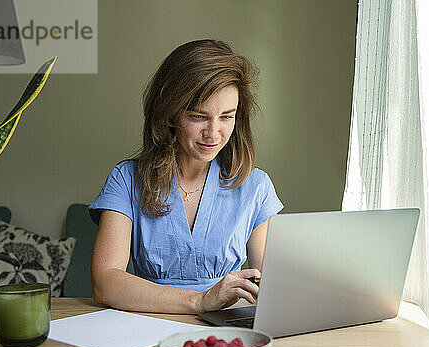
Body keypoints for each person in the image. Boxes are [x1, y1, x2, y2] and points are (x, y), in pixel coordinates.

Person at [88, 39, 283, 314]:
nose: (213, 133)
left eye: (227, 117)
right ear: (169, 114)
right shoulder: (125, 179)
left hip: (226, 327)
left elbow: (272, 285)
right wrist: (199, 301)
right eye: (198, 116)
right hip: (146, 322)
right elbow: (105, 283)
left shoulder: (256, 186)